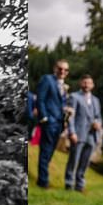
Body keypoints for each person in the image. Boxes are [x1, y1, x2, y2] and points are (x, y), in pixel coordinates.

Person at [64, 75, 102, 192]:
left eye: (89, 83)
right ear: (81, 83)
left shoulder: (96, 100)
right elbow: (70, 117)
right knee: (73, 159)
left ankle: (80, 184)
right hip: (78, 133)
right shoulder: (74, 97)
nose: (86, 85)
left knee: (85, 161)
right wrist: (72, 132)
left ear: (92, 85)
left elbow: (98, 117)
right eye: (84, 83)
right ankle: (69, 183)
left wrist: (98, 123)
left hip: (92, 134)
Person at [35, 60, 68, 188]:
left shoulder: (63, 85)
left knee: (50, 151)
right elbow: (41, 99)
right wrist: (44, 117)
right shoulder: (47, 79)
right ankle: (43, 181)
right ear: (55, 68)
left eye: (65, 70)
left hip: (59, 123)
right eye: (60, 68)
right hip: (49, 122)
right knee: (45, 150)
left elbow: (60, 103)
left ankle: (42, 177)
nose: (62, 71)